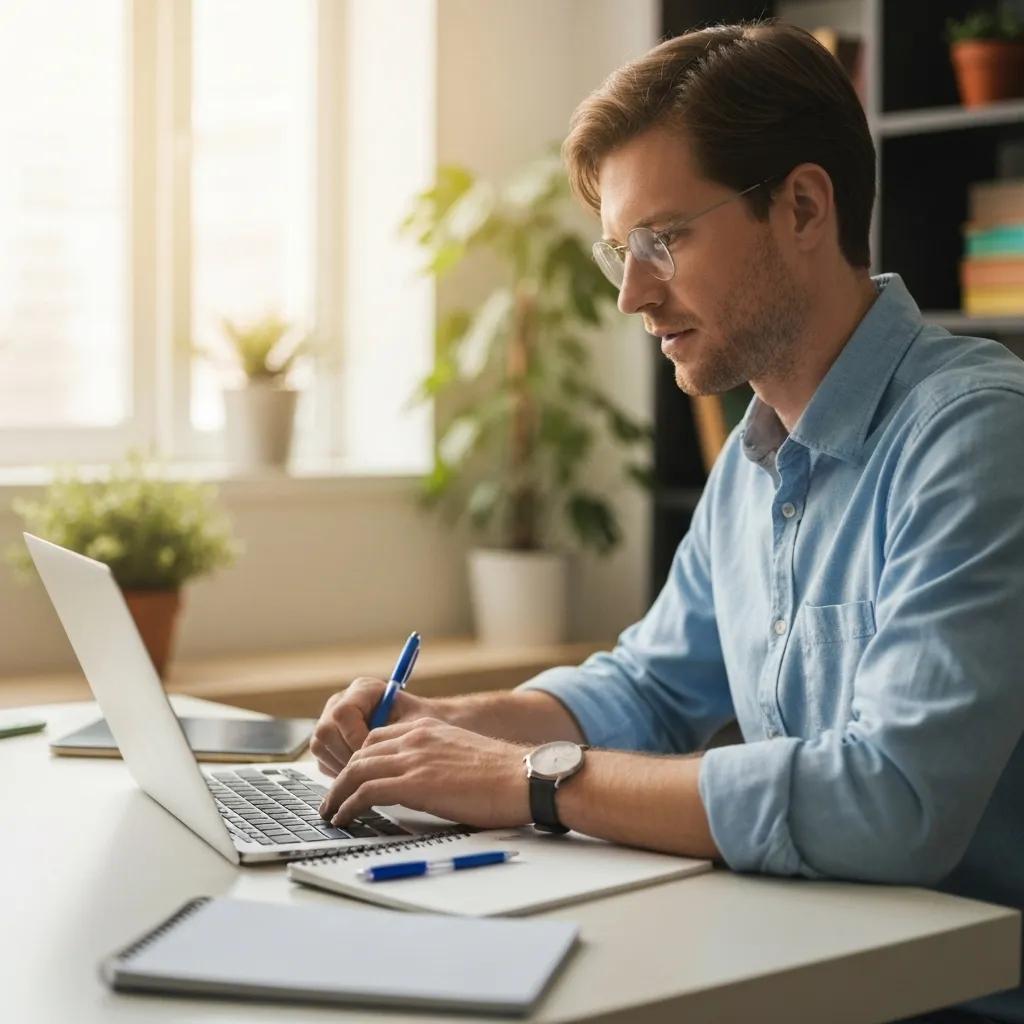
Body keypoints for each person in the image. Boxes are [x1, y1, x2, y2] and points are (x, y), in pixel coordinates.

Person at [313, 21, 1024, 1024]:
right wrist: (446, 730)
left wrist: (524, 778)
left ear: (803, 207)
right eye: (619, 252)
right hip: (803, 965)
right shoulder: (754, 454)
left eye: (664, 239)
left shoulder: (975, 437)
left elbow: (891, 802)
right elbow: (646, 687)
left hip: (950, 997)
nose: (633, 295)